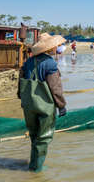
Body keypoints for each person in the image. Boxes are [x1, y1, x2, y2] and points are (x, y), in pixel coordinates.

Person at [18, 33, 67, 172]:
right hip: (44, 104)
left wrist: (22, 99)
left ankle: (33, 165)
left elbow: (20, 83)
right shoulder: (50, 63)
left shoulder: (27, 62)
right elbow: (55, 87)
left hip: (28, 105)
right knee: (44, 137)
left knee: (34, 135)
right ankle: (37, 169)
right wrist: (61, 105)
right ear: (49, 48)